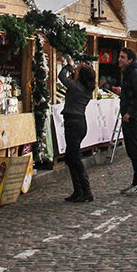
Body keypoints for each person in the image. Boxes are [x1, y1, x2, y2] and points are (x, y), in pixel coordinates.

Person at [58, 57, 95, 202]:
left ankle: (86, 191)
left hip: (73, 123)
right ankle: (78, 190)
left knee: (75, 158)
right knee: (71, 157)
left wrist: (69, 66)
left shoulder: (76, 87)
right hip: (79, 123)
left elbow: (61, 77)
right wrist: (76, 70)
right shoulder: (85, 89)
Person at [118, 48, 137, 194]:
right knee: (131, 150)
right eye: (119, 56)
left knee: (136, 150)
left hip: (133, 118)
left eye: (123, 57)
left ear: (130, 60)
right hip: (129, 116)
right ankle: (136, 182)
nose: (119, 59)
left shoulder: (135, 75)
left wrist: (130, 113)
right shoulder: (129, 74)